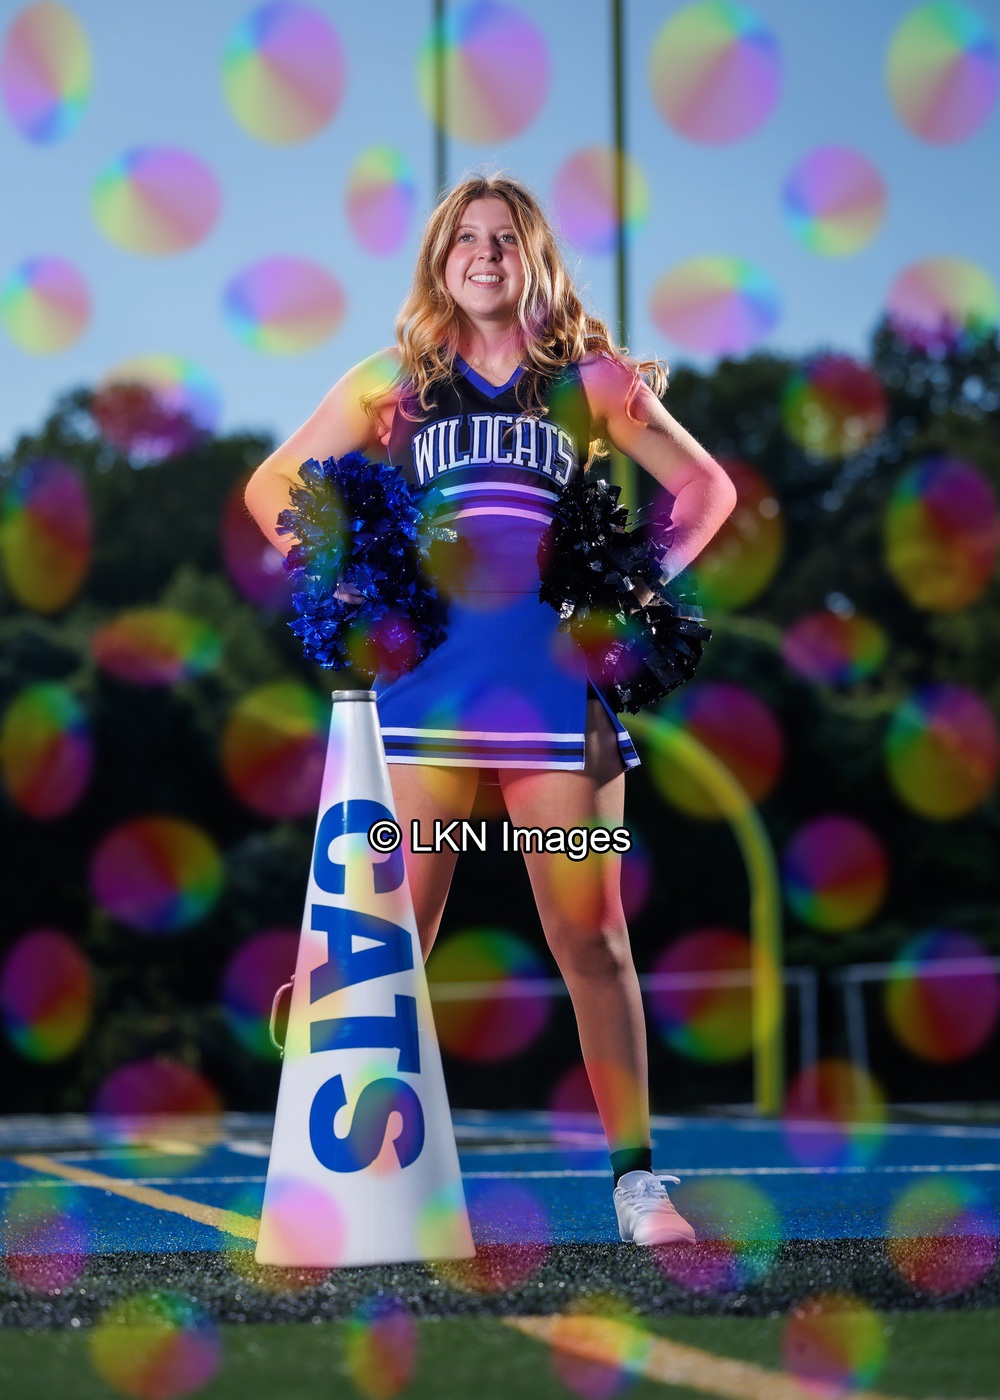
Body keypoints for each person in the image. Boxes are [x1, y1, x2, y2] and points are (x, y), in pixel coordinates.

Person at [245, 174, 737, 1247]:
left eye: (504, 238)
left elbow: (707, 489)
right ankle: (342, 1167)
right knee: (391, 941)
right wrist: (342, 578)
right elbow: (271, 483)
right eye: (464, 237)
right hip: (426, 694)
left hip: (553, 692)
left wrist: (635, 586)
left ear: (535, 257)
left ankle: (637, 1187)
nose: (483, 253)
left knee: (590, 937)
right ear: (439, 259)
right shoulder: (394, 382)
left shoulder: (589, 382)